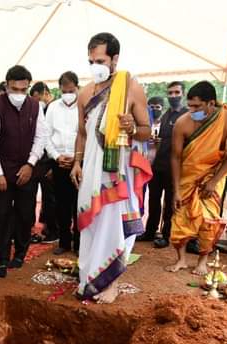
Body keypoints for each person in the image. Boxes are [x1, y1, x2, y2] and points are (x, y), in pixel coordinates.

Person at [70, 33, 153, 304]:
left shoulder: (130, 87)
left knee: (113, 225)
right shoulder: (85, 93)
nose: (95, 66)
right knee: (89, 224)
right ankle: (89, 279)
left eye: (100, 61)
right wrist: (77, 162)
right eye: (91, 61)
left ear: (115, 58)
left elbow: (146, 131)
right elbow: (82, 133)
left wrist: (132, 128)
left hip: (116, 171)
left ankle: (112, 283)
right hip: (90, 171)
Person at [165, 81, 227, 275]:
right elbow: (175, 157)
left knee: (209, 220)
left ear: (211, 103)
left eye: (197, 106)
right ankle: (181, 260)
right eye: (190, 105)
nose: (192, 110)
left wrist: (214, 181)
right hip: (188, 176)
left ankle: (202, 262)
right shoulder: (182, 122)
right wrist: (176, 190)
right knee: (181, 217)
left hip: (213, 176)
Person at [0, 65, 49, 278]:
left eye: (24, 90)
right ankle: (2, 258)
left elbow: (41, 137)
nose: (19, 94)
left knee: (25, 214)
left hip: (27, 170)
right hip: (2, 171)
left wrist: (30, 164)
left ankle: (20, 254)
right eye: (15, 89)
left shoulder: (35, 106)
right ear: (7, 86)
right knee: (1, 215)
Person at [141, 81, 188, 248]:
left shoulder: (186, 116)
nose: (173, 96)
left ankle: (166, 235)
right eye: (170, 93)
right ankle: (150, 231)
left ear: (183, 94)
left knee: (169, 203)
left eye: (176, 93)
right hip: (158, 165)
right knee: (153, 200)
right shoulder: (166, 114)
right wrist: (156, 143)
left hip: (174, 168)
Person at [45, 71, 80, 255]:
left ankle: (80, 243)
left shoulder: (84, 107)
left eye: (71, 91)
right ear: (59, 89)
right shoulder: (52, 108)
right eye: (64, 91)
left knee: (79, 204)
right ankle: (64, 241)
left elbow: (85, 135)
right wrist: (57, 156)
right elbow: (46, 136)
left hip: (79, 162)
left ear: (77, 88)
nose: (68, 95)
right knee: (61, 204)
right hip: (58, 162)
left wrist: (77, 158)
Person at [29, 80, 58, 244]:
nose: (35, 101)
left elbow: (51, 139)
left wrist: (53, 164)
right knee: (34, 197)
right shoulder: (38, 109)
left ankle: (53, 230)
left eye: (37, 97)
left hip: (49, 161)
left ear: (45, 93)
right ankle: (40, 228)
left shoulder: (54, 109)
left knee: (50, 198)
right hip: (37, 162)